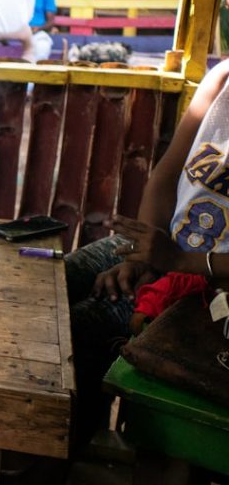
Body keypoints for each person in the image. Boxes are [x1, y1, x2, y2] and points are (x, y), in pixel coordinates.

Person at [66, 58, 229, 440]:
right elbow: (166, 176)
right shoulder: (222, 78)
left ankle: (53, 453)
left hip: (212, 285)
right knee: (45, 286)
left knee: (76, 328)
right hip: (167, 250)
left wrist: (178, 263)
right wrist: (146, 257)